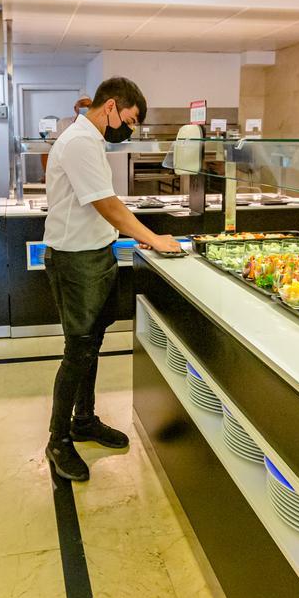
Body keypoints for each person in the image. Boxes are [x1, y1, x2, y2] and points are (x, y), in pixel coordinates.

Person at [42, 76, 182, 481]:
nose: (130, 130)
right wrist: (152, 238)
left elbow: (104, 205)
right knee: (78, 351)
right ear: (110, 107)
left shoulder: (90, 139)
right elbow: (107, 204)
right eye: (130, 120)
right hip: (75, 261)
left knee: (92, 345)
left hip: (96, 255)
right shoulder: (80, 142)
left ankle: (83, 420)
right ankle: (57, 440)